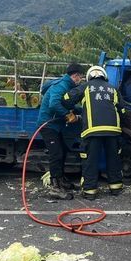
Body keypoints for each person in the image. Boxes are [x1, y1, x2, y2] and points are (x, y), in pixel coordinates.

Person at [62, 65, 126, 200]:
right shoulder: (113, 89)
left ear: (90, 76)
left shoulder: (85, 87)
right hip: (113, 132)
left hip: (92, 131)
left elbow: (66, 99)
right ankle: (116, 188)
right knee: (113, 159)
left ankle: (90, 191)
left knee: (90, 161)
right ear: (104, 76)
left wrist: (77, 110)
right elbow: (123, 110)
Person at [37, 63, 85, 200]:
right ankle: (55, 187)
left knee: (63, 151)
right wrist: (68, 115)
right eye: (80, 77)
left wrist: (84, 111)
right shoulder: (61, 86)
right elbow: (54, 104)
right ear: (75, 76)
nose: (80, 80)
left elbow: (68, 105)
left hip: (56, 126)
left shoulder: (68, 86)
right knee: (56, 153)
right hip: (47, 125)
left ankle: (61, 180)